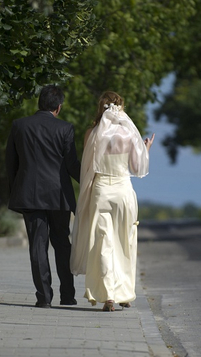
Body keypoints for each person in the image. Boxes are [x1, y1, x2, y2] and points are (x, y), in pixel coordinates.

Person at [70, 91, 154, 312]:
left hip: (101, 191)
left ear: (101, 108)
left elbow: (87, 169)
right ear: (121, 109)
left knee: (103, 243)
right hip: (124, 192)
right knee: (125, 243)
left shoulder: (92, 134)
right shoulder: (128, 135)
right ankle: (124, 293)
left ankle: (107, 295)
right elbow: (137, 169)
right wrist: (145, 150)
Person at [5, 85, 80, 308]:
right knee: (62, 244)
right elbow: (71, 165)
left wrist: (15, 189)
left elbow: (11, 162)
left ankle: (44, 298)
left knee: (37, 246)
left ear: (39, 104)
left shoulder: (19, 125)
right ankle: (67, 295)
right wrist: (88, 183)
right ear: (59, 107)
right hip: (58, 196)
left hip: (29, 194)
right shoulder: (65, 128)